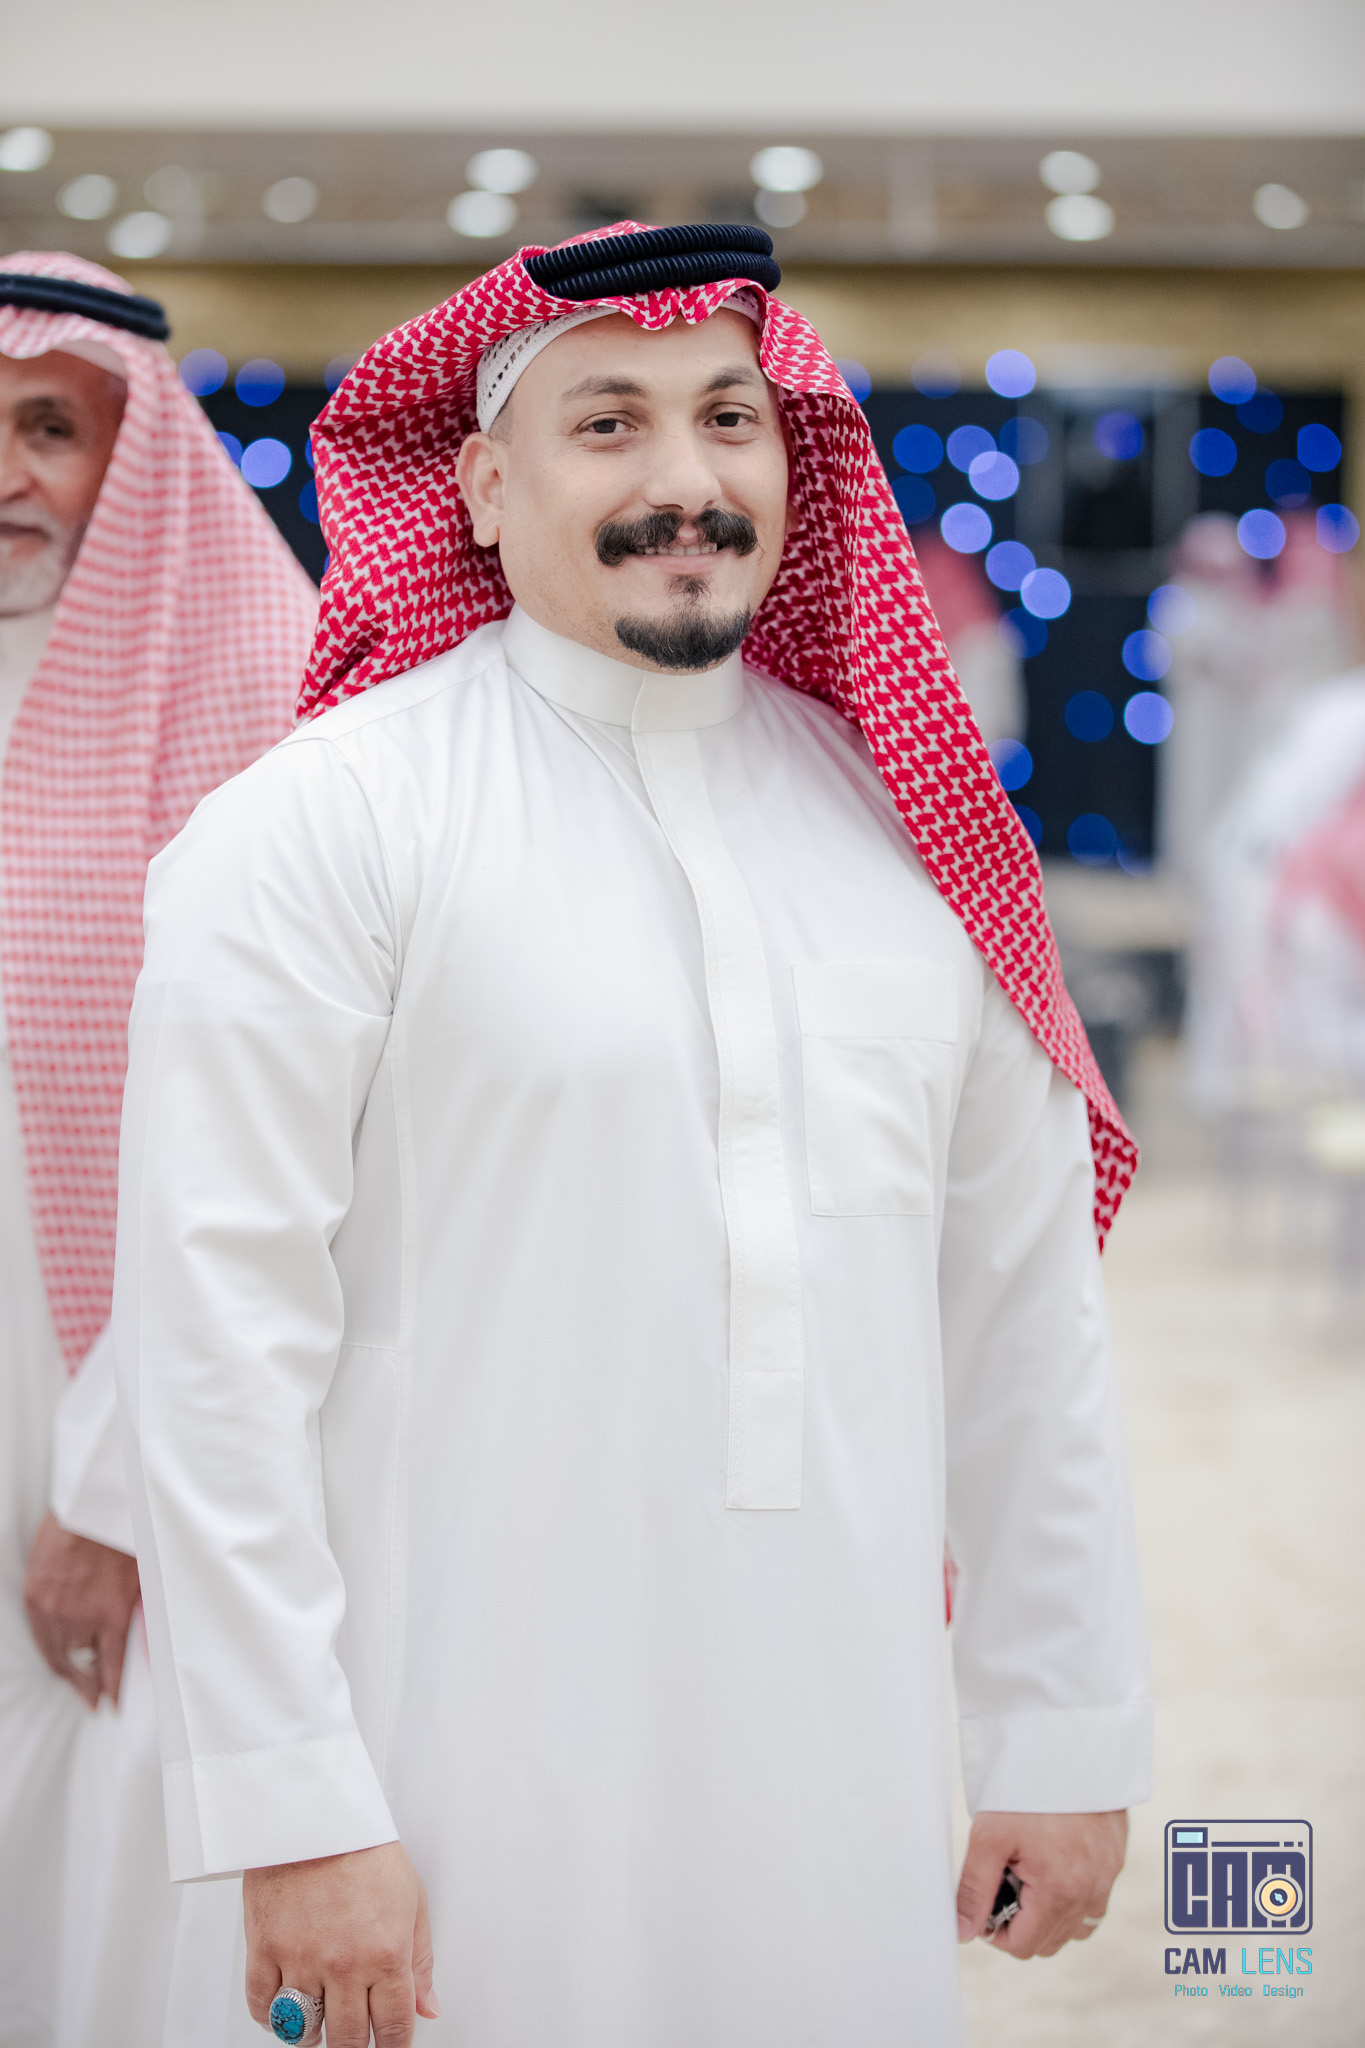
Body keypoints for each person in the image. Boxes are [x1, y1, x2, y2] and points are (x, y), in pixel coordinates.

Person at [115, 223, 1150, 2048]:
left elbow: (1022, 1314)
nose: (688, 481)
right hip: (442, 1760)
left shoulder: (912, 841)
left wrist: (1057, 1730)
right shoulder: (321, 829)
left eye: (728, 420)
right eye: (609, 424)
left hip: (836, 1753)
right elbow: (215, 1351)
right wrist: (294, 1804)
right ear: (479, 487)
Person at [0, 252, 316, 2048]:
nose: (7, 474)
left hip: (122, 1386)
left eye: (50, 427)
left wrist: (114, 1481)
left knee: (101, 1794)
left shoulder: (256, 686)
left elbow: (262, 1149)